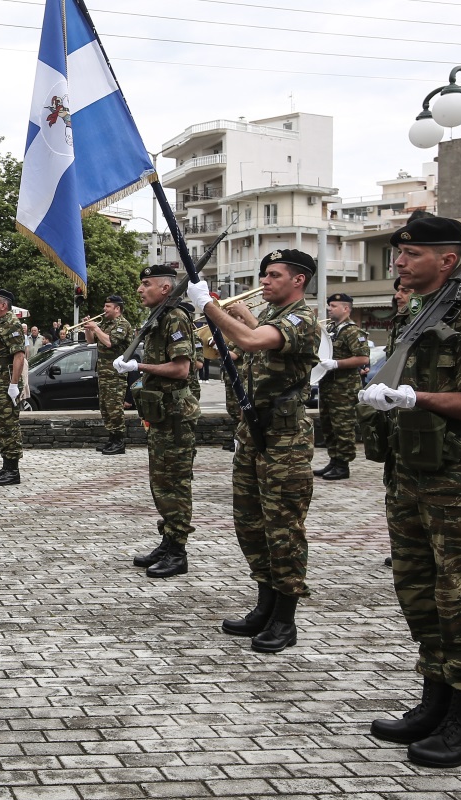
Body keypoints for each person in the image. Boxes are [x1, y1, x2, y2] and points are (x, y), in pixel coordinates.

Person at [359, 217, 461, 768]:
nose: (398, 262)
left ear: (448, 261)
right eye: (398, 253)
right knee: (418, 591)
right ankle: (435, 702)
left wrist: (415, 399)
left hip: (457, 482)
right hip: (410, 474)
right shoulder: (415, 314)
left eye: (412, 254)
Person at [187, 249, 320, 654]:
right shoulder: (275, 319)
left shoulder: (302, 319)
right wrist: (239, 315)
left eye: (274, 274)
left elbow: (249, 340)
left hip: (285, 443)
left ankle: (285, 618)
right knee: (250, 525)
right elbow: (253, 336)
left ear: (298, 280)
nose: (265, 280)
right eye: (264, 273)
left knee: (283, 529)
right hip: (254, 437)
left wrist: (208, 305)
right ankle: (264, 604)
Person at [117, 266, 198, 579]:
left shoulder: (175, 318)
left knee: (175, 482)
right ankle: (168, 540)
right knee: (161, 482)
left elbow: (181, 369)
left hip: (176, 415)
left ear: (166, 289)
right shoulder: (158, 318)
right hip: (161, 414)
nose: (140, 290)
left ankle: (178, 551)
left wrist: (139, 364)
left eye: (147, 284)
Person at [313, 293, 370, 480]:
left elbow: (363, 358)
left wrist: (337, 364)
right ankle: (334, 460)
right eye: (329, 305)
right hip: (328, 386)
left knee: (343, 427)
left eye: (334, 305)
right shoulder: (330, 329)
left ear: (346, 308)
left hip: (344, 388)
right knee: (328, 426)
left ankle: (343, 465)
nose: (329, 308)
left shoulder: (353, 331)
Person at [0, 289, 26, 486]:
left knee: (9, 425)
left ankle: (13, 470)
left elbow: (19, 355)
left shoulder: (11, 324)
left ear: (4, 305)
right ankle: (6, 466)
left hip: (5, 384)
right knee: (0, 425)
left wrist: (13, 385)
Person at [86, 295, 135, 455]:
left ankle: (119, 442)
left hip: (116, 374)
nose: (104, 309)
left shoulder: (123, 325)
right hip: (104, 372)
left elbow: (109, 342)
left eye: (108, 306)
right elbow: (90, 341)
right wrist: (88, 329)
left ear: (117, 309)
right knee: (105, 407)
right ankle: (112, 438)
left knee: (114, 408)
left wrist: (96, 329)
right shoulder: (105, 323)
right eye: (105, 306)